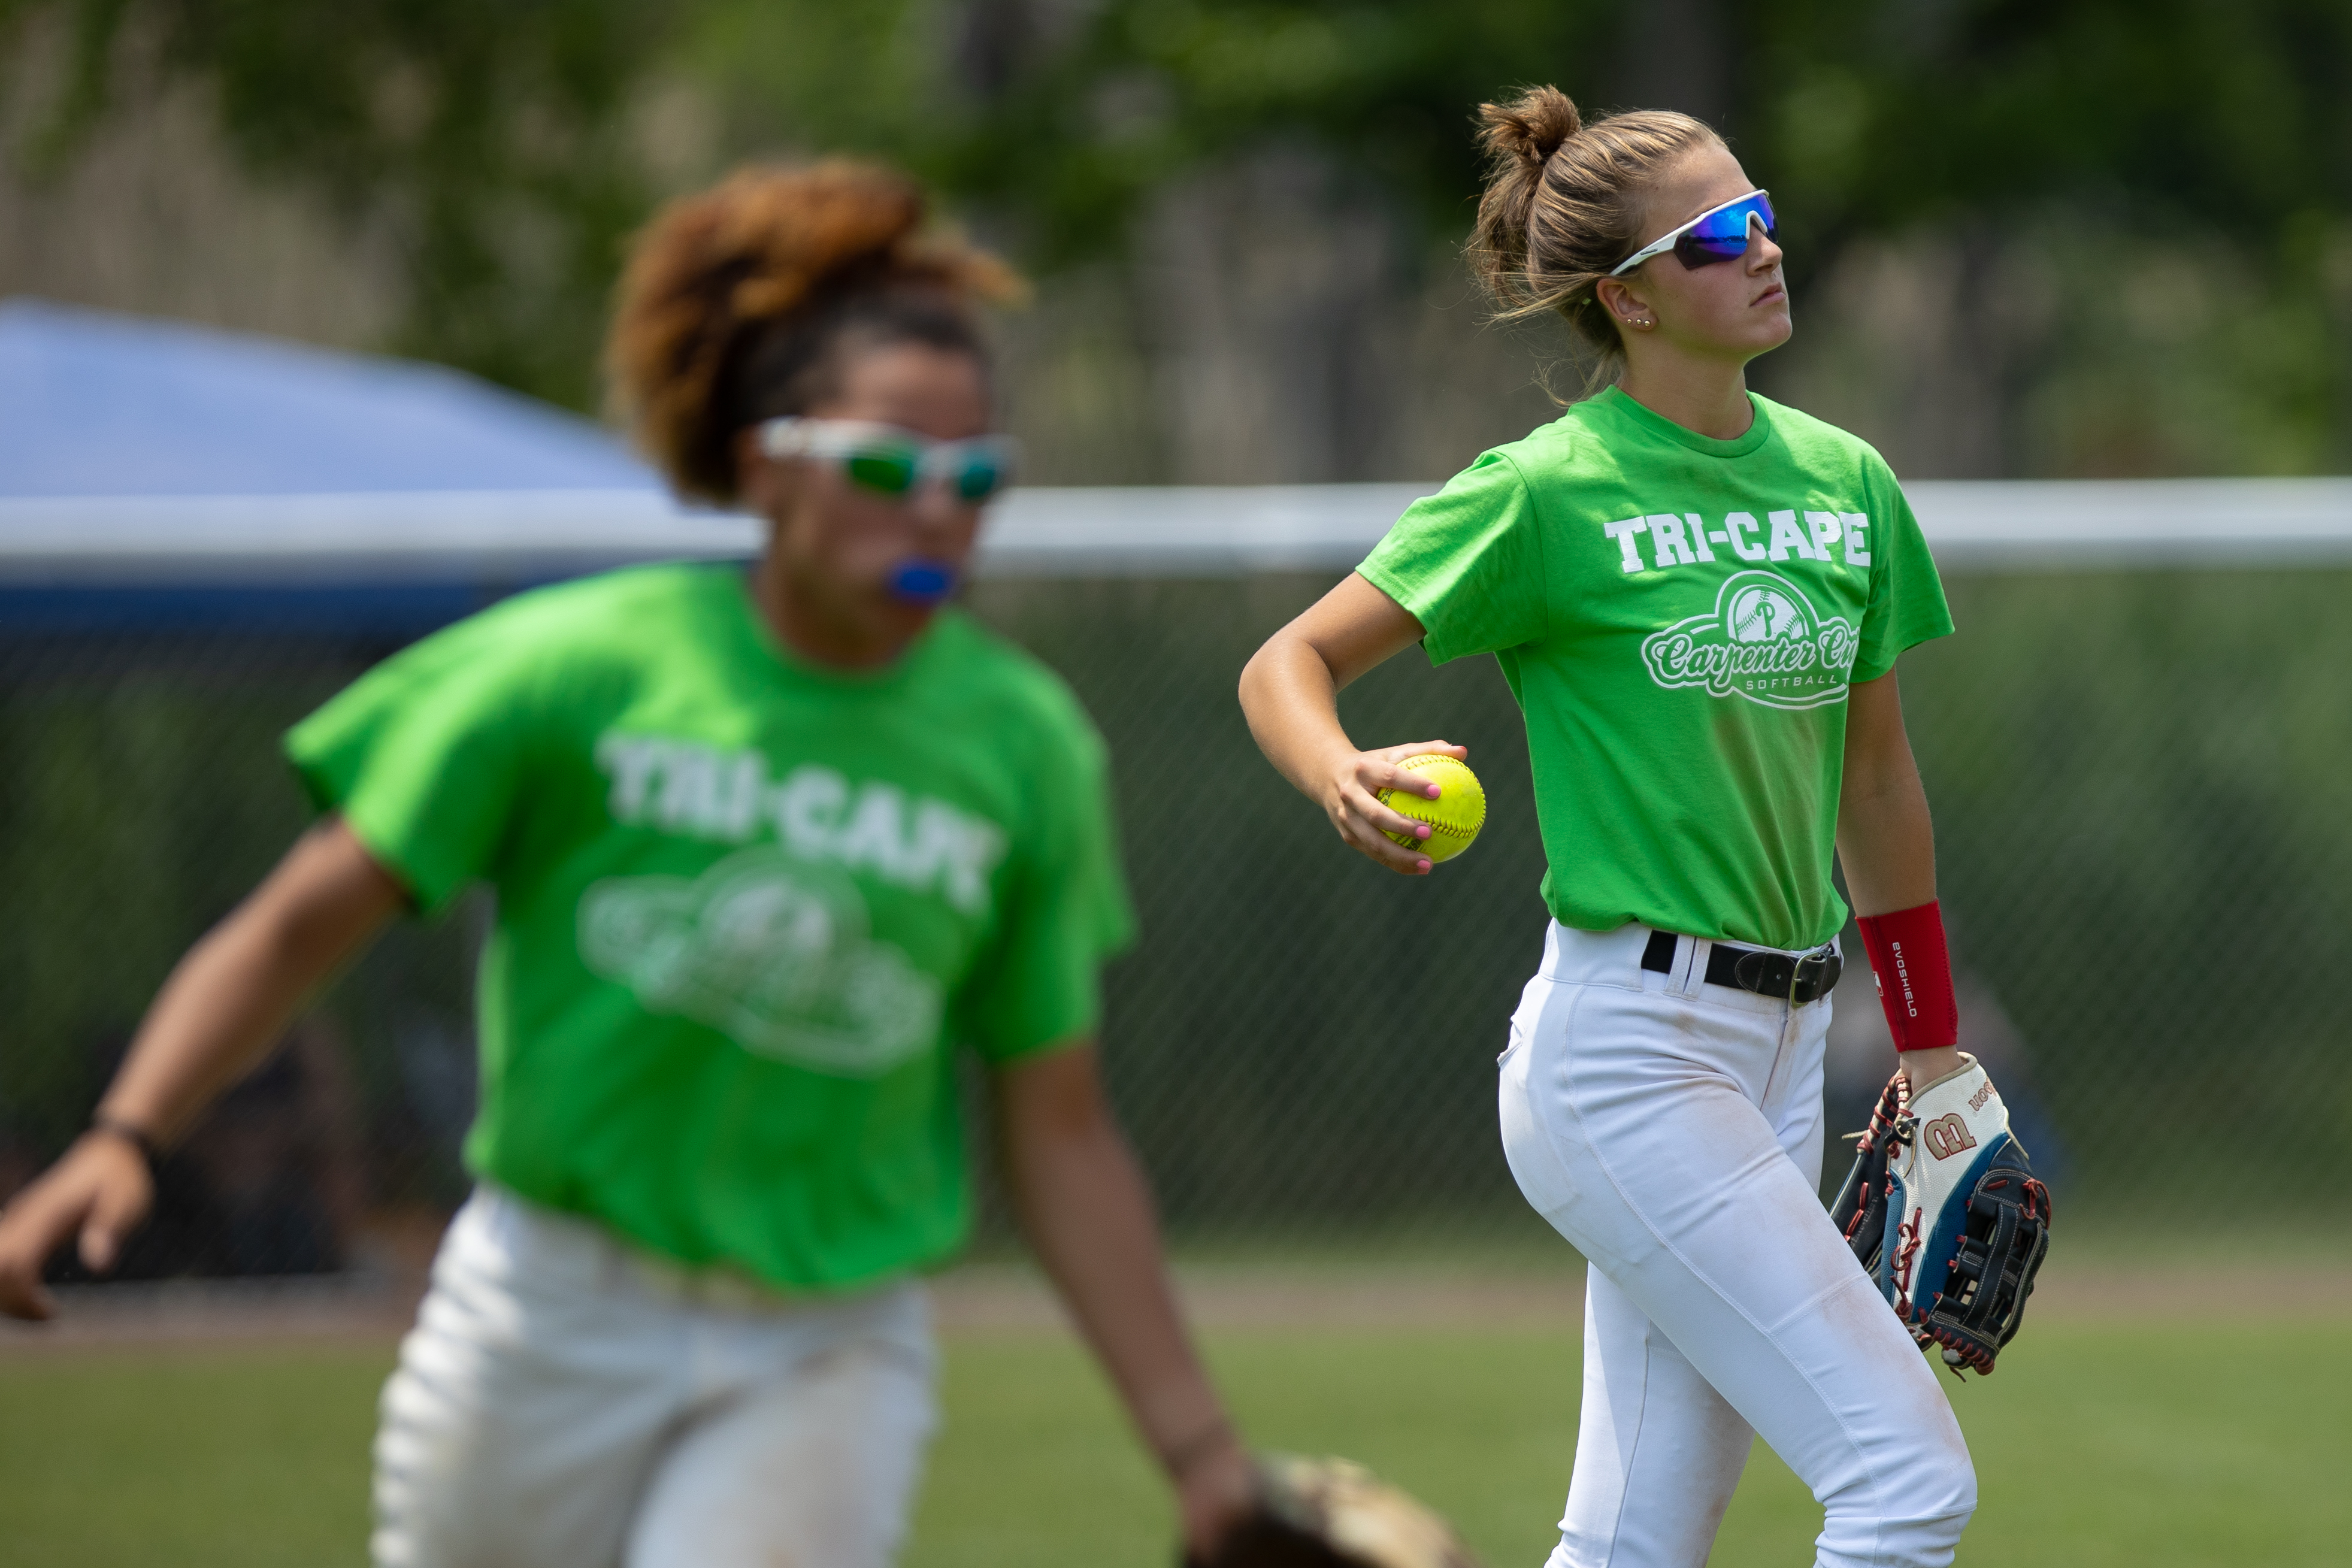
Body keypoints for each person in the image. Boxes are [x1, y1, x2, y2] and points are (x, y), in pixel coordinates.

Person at [0, 159, 1254, 1568]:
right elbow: (298, 927)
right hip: (549, 1308)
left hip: (825, 1341)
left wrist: (1201, 1455)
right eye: (891, 464)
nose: (938, 514)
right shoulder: (577, 665)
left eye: (976, 479)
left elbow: (1059, 1126)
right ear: (771, 462)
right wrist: (123, 1137)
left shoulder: (1023, 746)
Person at [1239, 88, 1985, 1568]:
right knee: (1905, 1483)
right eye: (1718, 236)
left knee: (1637, 1537)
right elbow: (1286, 663)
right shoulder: (1545, 494)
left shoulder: (1843, 483)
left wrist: (1928, 1043)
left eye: (1761, 211)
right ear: (1627, 296)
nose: (1763, 247)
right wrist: (1335, 769)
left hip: (1781, 1050)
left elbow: (1876, 781)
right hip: (1628, 1054)